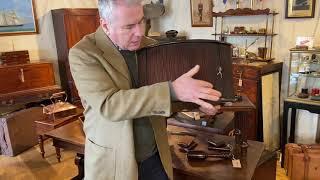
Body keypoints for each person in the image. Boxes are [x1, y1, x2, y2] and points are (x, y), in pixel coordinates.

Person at [69, 0, 221, 179]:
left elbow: (163, 102)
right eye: (129, 26)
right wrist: (172, 90)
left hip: (155, 156)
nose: (140, 32)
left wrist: (196, 102)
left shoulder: (151, 46)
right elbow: (109, 105)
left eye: (142, 21)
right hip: (114, 161)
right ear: (105, 25)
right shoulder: (84, 53)